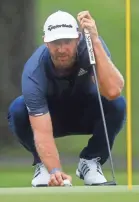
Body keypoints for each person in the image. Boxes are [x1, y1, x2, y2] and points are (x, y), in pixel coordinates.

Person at [7, 10, 126, 187]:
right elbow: (41, 131)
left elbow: (113, 90)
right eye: (55, 43)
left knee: (117, 104)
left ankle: (91, 161)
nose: (62, 49)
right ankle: (44, 166)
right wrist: (55, 171)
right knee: (18, 108)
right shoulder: (34, 71)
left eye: (67, 42)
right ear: (46, 42)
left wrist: (95, 41)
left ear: (78, 39)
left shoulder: (91, 48)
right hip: (50, 117)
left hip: (86, 113)